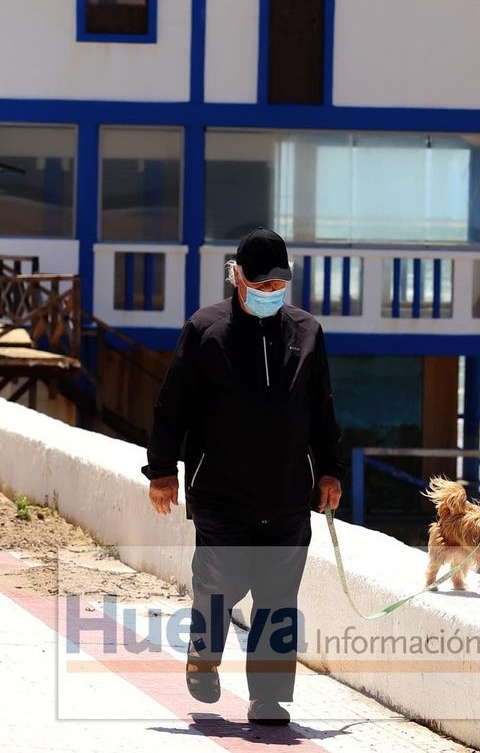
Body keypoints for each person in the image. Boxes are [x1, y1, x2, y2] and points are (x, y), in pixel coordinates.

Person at [144, 227, 344, 726]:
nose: (269, 295)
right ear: (237, 277)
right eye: (261, 285)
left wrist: (330, 471)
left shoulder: (307, 333)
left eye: (279, 288)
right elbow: (174, 405)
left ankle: (269, 698)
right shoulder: (204, 330)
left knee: (277, 602)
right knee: (219, 584)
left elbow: (321, 410)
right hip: (220, 493)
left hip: (287, 496)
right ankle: (203, 653)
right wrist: (163, 471)